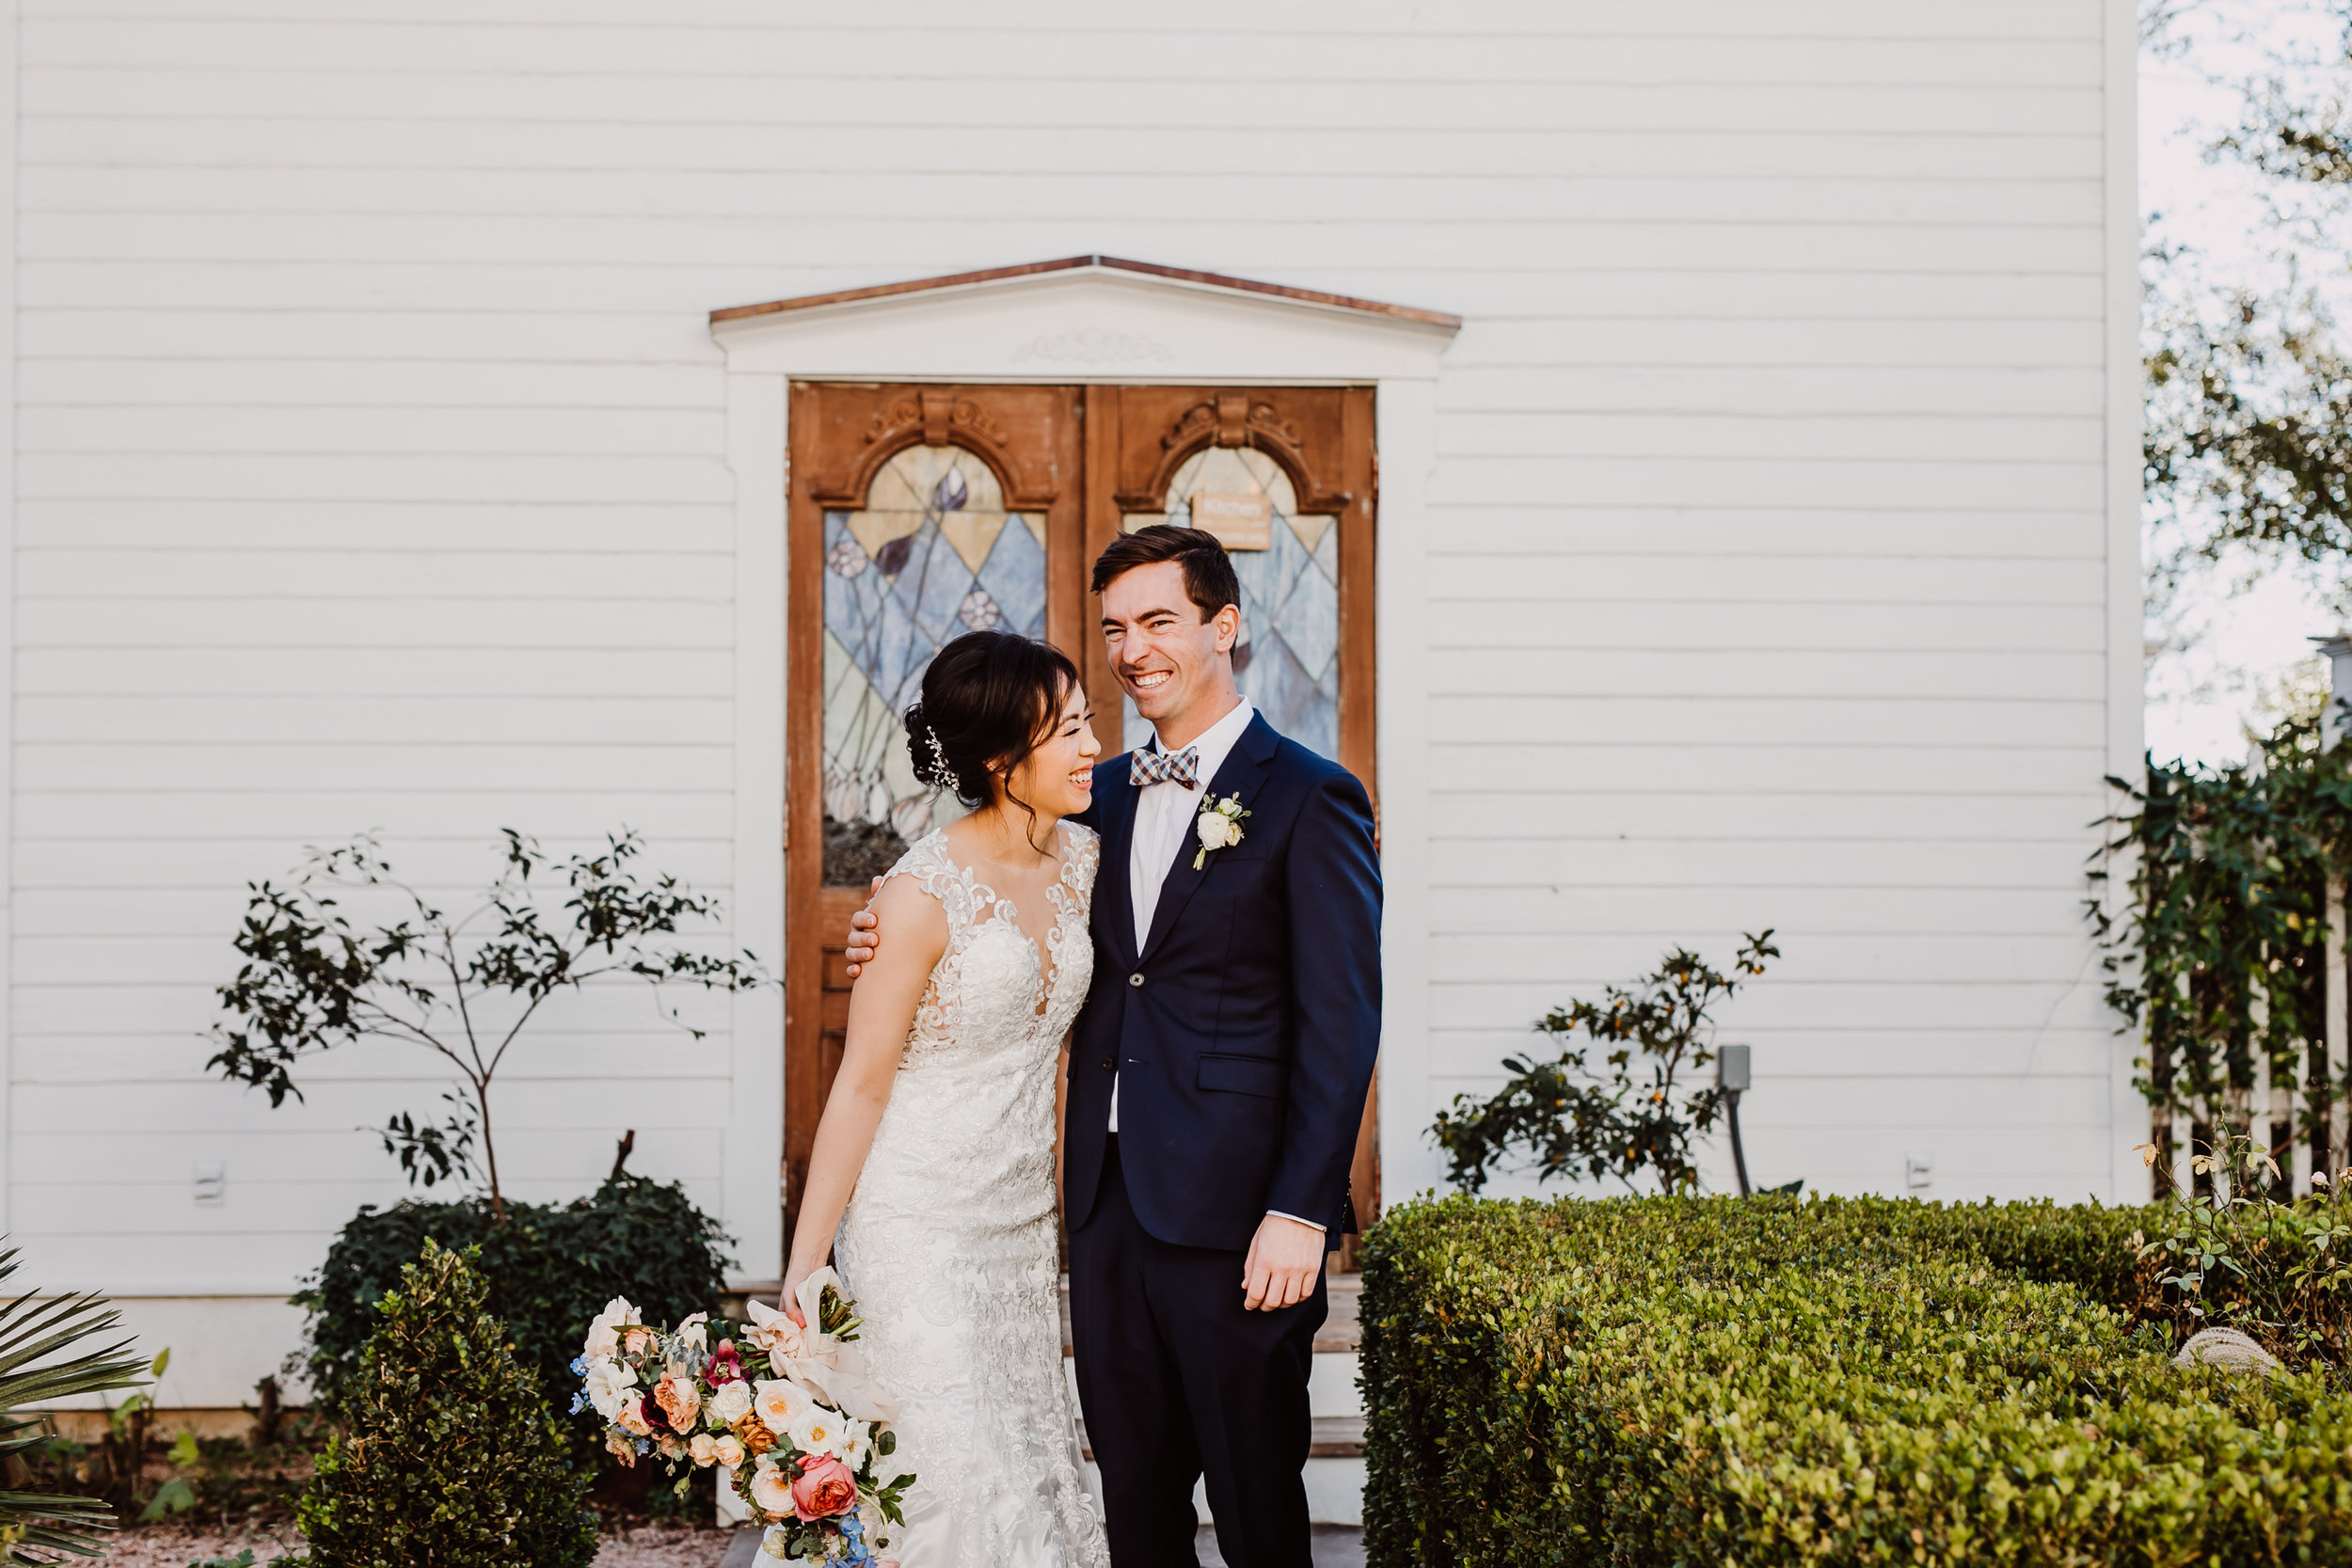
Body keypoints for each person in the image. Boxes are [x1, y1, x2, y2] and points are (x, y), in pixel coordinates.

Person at [844, 526, 1383, 1568]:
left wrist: (1302, 1208)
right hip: (1102, 1209)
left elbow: (1342, 1018)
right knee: (1133, 1501)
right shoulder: (1097, 791)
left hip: (1239, 1218)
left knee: (1257, 1498)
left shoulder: (1311, 795)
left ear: (1224, 627)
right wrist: (883, 918)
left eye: (1158, 621)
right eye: (1115, 627)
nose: (1132, 648)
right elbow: (986, 893)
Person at [782, 627, 1109, 1568]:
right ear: (1004, 757)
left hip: (1018, 1218)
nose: (1093, 746)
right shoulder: (918, 893)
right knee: (946, 1471)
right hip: (917, 1218)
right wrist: (807, 1267)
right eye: (1071, 729)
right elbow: (861, 1082)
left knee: (1026, 1458)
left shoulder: (1086, 860)